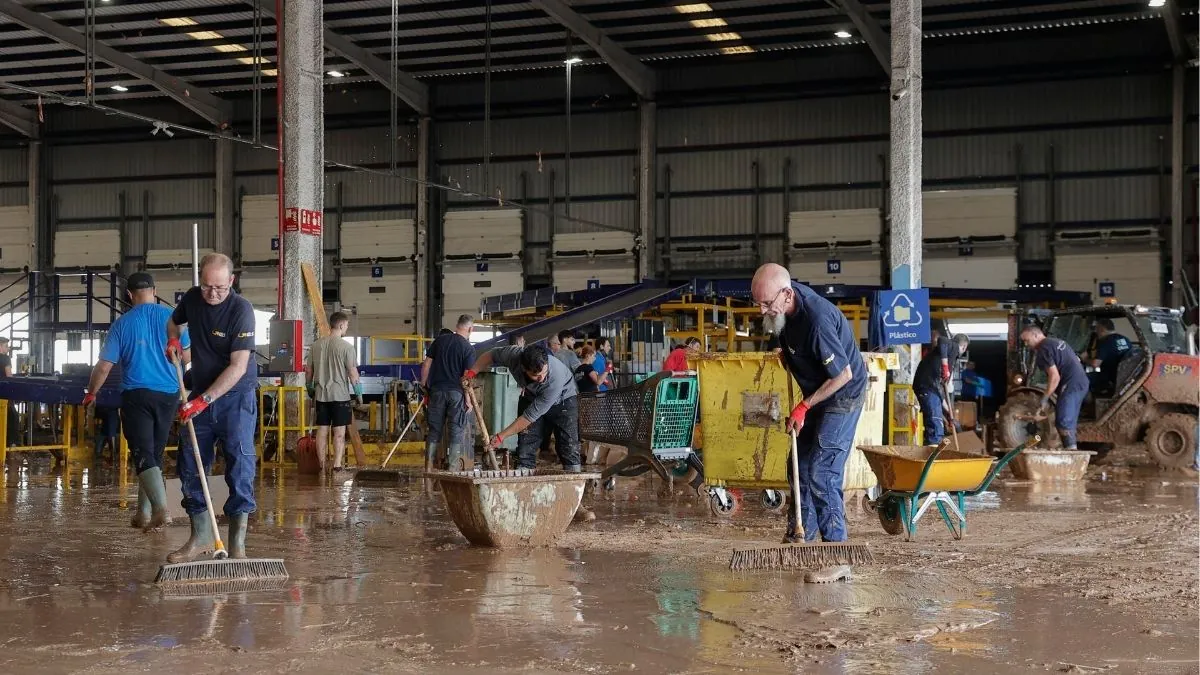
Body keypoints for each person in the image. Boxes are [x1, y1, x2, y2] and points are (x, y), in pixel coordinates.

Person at [751, 263, 867, 584]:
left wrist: (804, 406)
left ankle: (836, 554)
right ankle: (801, 535)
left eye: (766, 304)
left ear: (787, 295)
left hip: (842, 394)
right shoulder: (784, 310)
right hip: (816, 390)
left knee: (821, 471)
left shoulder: (817, 320)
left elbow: (843, 374)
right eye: (757, 303)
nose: (762, 310)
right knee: (797, 466)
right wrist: (789, 355)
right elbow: (792, 337)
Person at [165, 253, 260, 562]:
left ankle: (237, 545)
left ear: (231, 282)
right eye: (207, 286)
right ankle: (201, 536)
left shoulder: (241, 310)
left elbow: (238, 367)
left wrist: (202, 401)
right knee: (190, 465)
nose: (213, 294)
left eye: (220, 287)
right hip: (200, 396)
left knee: (240, 465)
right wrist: (173, 341)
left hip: (235, 398)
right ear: (200, 281)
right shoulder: (193, 299)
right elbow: (172, 321)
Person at [84, 272, 191, 530]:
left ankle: (161, 509)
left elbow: (104, 367)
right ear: (154, 290)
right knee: (153, 453)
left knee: (142, 452)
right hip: (169, 395)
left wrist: (91, 392)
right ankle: (143, 513)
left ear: (129, 295)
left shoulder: (123, 324)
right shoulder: (173, 319)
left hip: (136, 395)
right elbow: (186, 358)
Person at [468, 343, 593, 521]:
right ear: (523, 368)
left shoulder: (553, 378)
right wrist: (472, 372)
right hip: (531, 396)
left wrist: (501, 436)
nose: (541, 378)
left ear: (546, 363)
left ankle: (575, 504)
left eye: (543, 373)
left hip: (565, 399)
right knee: (526, 447)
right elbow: (489, 355)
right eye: (535, 375)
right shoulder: (512, 354)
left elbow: (528, 417)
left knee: (568, 448)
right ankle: (522, 499)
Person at [306, 311, 361, 477]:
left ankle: (321, 466)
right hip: (340, 396)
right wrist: (358, 393)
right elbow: (352, 373)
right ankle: (337, 466)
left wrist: (309, 387)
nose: (347, 328)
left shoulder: (316, 346)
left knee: (321, 431)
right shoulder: (347, 347)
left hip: (321, 395)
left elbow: (309, 371)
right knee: (339, 432)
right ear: (342, 325)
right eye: (347, 326)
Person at [420, 314, 475, 471]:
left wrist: (424, 385)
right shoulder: (468, 348)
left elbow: (426, 365)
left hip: (437, 392)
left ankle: (428, 467)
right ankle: (452, 470)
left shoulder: (439, 341)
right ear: (470, 329)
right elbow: (465, 379)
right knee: (455, 431)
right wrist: (468, 400)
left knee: (434, 430)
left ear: (457, 325)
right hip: (456, 394)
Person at [1020, 325, 1088, 450]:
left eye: (1027, 340)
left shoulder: (1043, 349)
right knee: (1068, 420)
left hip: (1071, 383)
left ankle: (1071, 455)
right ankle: (1071, 450)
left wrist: (1044, 398)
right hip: (1080, 382)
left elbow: (1054, 377)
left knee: (1063, 421)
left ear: (1036, 335)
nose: (1026, 344)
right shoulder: (1055, 342)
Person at [913, 330, 969, 445]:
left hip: (929, 388)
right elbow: (942, 340)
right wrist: (945, 366)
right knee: (935, 424)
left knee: (936, 424)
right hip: (927, 386)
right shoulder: (953, 347)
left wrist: (948, 411)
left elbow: (940, 391)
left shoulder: (949, 357)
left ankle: (932, 452)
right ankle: (933, 458)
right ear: (963, 346)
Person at [1087, 318, 1132, 395]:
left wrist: (1084, 358)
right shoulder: (1125, 339)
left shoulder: (1106, 342)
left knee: (1084, 374)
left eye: (1097, 329)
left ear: (1102, 329)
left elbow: (1095, 364)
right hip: (1123, 374)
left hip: (1109, 375)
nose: (1096, 332)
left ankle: (1089, 399)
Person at [0, 337, 17, 446]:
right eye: (6, 346)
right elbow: (9, 376)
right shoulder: (5, 359)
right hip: (4, 391)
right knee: (13, 416)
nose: (8, 348)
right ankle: (11, 442)